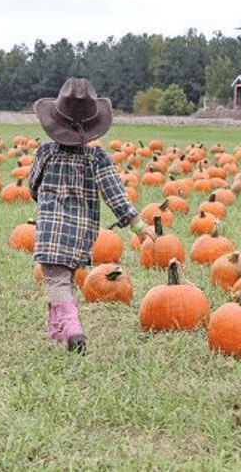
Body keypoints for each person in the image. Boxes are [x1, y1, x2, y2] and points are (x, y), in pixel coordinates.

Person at [28, 77, 156, 355]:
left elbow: (33, 185)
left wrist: (43, 200)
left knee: (56, 281)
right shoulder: (97, 158)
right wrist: (137, 224)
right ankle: (58, 330)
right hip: (82, 235)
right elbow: (115, 194)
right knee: (66, 279)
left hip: (50, 231)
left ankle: (72, 330)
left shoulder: (45, 153)